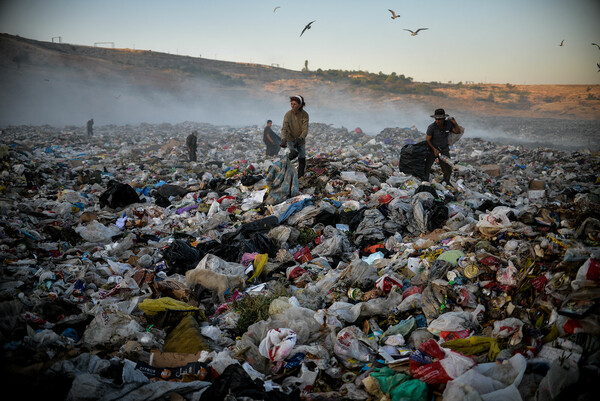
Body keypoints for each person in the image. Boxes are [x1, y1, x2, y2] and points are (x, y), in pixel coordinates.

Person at [424, 108, 461, 185]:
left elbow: (457, 131)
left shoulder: (448, 124)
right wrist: (434, 149)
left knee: (447, 168)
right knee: (427, 166)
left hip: (444, 149)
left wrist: (455, 123)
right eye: (436, 119)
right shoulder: (431, 127)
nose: (438, 121)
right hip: (432, 149)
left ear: (444, 118)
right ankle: (425, 182)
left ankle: (446, 182)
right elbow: (427, 139)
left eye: (440, 119)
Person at [280, 95, 309, 177]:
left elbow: (305, 129)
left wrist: (300, 138)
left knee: (302, 158)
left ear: (300, 105)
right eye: (291, 104)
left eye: (295, 104)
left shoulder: (304, 115)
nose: (292, 106)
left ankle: (300, 176)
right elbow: (284, 128)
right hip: (290, 138)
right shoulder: (288, 115)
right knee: (293, 153)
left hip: (300, 140)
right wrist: (283, 139)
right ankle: (280, 165)